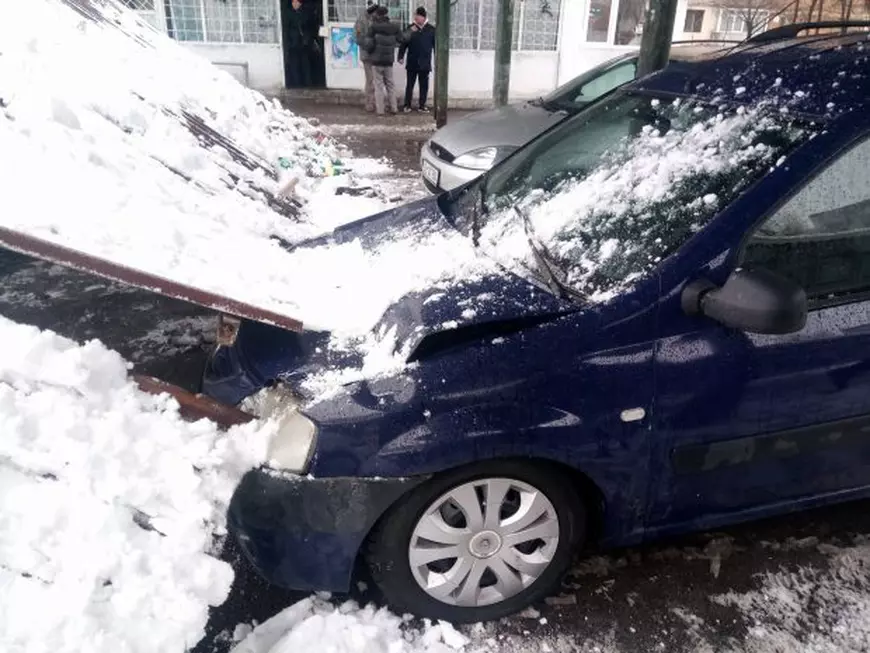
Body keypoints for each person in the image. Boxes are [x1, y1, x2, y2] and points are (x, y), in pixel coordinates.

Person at [398, 7, 436, 112]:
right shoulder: (410, 28)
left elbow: (435, 45)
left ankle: (422, 105)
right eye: (415, 15)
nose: (416, 17)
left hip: (425, 62)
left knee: (424, 85)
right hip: (412, 61)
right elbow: (403, 43)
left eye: (418, 16)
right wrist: (400, 56)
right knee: (410, 84)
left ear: (423, 17)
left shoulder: (431, 29)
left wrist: (437, 60)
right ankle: (407, 105)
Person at [364, 6, 400, 116]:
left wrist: (370, 51)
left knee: (378, 86)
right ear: (387, 14)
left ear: (378, 15)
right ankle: (394, 108)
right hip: (389, 61)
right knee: (390, 85)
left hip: (376, 61)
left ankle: (380, 110)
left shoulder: (373, 27)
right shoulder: (394, 27)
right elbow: (402, 39)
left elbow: (368, 44)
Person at [354, 1, 378, 112]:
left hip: (376, 54)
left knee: (376, 80)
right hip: (367, 54)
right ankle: (369, 103)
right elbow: (357, 38)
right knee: (370, 80)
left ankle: (375, 102)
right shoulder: (361, 20)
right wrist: (369, 44)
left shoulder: (375, 19)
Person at [284, 0, 313, 87]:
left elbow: (309, 27)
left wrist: (307, 39)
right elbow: (286, 29)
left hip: (303, 43)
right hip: (293, 43)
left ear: (300, 4)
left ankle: (308, 82)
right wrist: (288, 43)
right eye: (293, 2)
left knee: (305, 64)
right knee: (294, 64)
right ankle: (297, 83)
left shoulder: (305, 13)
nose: (294, 4)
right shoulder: (288, 13)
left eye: (296, 2)